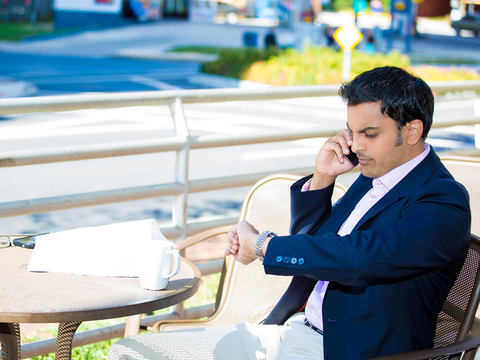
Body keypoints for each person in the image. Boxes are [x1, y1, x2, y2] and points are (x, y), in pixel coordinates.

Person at [108, 66, 471, 359]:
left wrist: (264, 246)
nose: (356, 146)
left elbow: (358, 257)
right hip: (289, 333)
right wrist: (323, 177)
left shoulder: (442, 203)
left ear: (412, 131)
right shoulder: (375, 171)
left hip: (346, 350)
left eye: (370, 134)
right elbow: (317, 244)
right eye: (351, 132)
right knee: (133, 353)